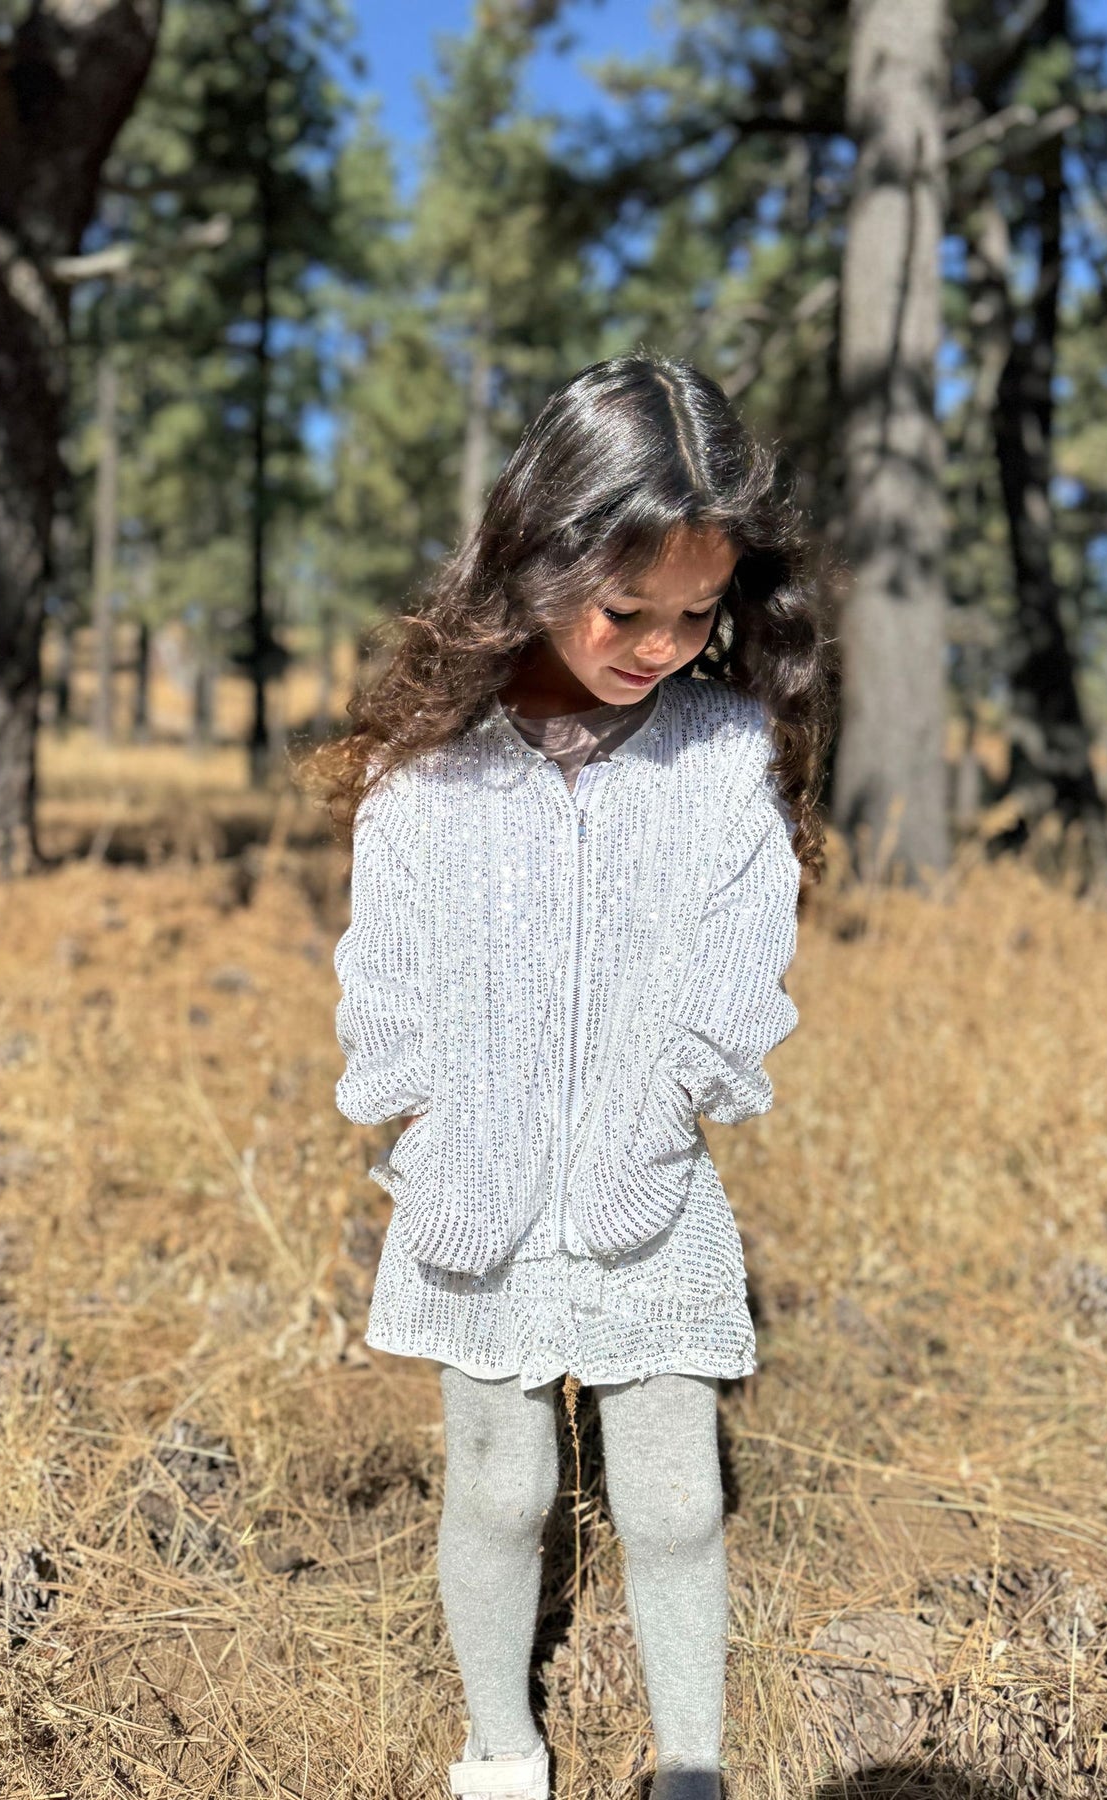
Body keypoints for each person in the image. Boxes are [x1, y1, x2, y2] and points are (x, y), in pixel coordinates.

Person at [303, 352, 833, 1800]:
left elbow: (740, 972)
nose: (661, 644)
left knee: (674, 1498)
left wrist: (652, 1127)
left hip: (648, 1190)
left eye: (697, 614)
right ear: (540, 559)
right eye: (626, 609)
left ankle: (691, 1764)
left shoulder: (723, 755)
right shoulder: (430, 771)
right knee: (500, 1486)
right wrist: (430, 1130)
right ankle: (499, 1748)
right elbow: (384, 974)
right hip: (473, 1189)